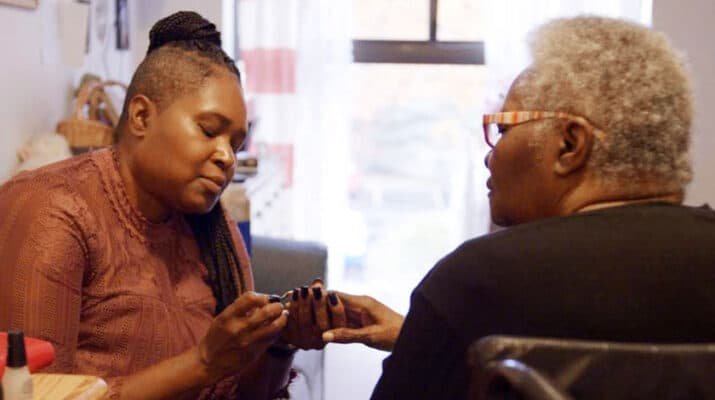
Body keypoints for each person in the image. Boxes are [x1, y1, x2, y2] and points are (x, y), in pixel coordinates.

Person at [321, 16, 715, 399]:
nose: (489, 157)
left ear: (569, 145)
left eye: (504, 128)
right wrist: (426, 338)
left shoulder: (476, 282)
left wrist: (441, 330)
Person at [0, 11, 343, 399]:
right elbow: (37, 396)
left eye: (235, 143)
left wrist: (280, 345)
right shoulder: (54, 212)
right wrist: (202, 363)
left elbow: (239, 391)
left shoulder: (215, 229)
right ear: (142, 116)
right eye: (209, 131)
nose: (227, 157)